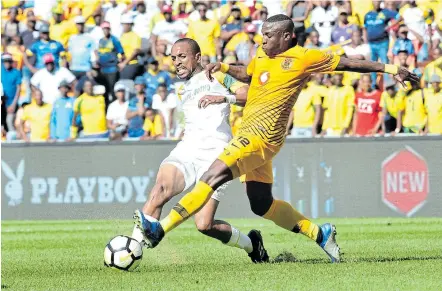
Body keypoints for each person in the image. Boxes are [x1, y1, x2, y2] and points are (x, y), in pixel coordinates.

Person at [134, 14, 419, 263]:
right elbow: (247, 73)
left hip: (260, 138)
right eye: (261, 35)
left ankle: (161, 228)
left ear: (287, 36)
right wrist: (223, 67)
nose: (263, 40)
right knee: (261, 205)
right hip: (252, 137)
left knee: (211, 176)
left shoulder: (304, 58)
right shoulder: (262, 55)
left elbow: (348, 64)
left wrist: (392, 69)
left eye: (269, 36)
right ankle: (320, 233)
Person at [132, 38, 268, 263]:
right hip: (187, 149)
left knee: (204, 224)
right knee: (159, 191)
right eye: (174, 58)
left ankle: (251, 244)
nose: (177, 62)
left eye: (182, 56)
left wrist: (223, 97)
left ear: (198, 57)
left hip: (217, 154)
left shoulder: (216, 75)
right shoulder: (181, 87)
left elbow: (248, 95)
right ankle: (132, 249)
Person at [364, 0, 400, 86]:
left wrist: (390, 26)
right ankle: (373, 84)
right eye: (374, 2)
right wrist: (365, 39)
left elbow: (399, 17)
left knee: (384, 63)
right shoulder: (368, 15)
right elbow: (364, 28)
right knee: (372, 64)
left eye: (378, 2)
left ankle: (388, 84)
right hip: (371, 44)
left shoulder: (385, 12)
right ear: (372, 2)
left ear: (380, 3)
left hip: (382, 43)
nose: (376, 3)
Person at [96, 21, 125, 106]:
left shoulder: (114, 39)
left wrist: (120, 62)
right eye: (104, 29)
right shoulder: (101, 41)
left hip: (112, 69)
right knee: (104, 90)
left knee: (112, 90)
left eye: (107, 29)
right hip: (103, 69)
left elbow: (121, 52)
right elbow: (99, 53)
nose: (105, 31)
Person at [68, 16, 96, 80]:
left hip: (86, 68)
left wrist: (92, 67)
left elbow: (94, 52)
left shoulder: (89, 37)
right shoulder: (72, 38)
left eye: (81, 24)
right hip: (74, 68)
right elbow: (70, 53)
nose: (79, 26)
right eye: (78, 24)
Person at [1, 53, 22, 131]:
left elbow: (18, 89)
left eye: (8, 61)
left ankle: (12, 140)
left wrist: (13, 104)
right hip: (2, 102)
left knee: (9, 121)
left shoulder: (16, 72)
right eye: (5, 61)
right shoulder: (1, 72)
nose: (7, 63)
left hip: (11, 102)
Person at [119, 14, 142, 80]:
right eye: (123, 24)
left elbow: (135, 51)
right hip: (122, 63)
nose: (123, 26)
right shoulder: (122, 35)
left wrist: (124, 63)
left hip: (131, 63)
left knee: (125, 81)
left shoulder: (134, 36)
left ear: (129, 25)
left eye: (124, 24)